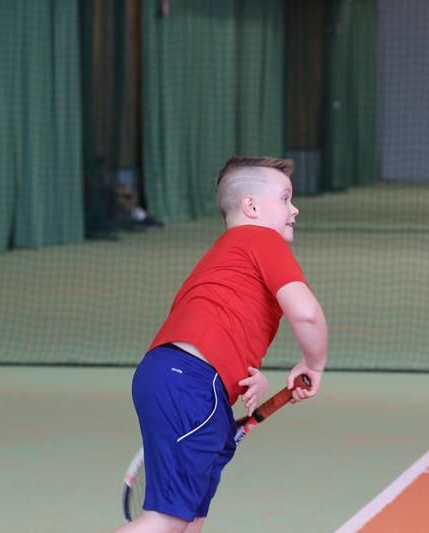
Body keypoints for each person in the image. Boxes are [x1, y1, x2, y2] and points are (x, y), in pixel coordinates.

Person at [115, 155, 328, 533]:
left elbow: (214, 326)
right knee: (166, 520)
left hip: (175, 378)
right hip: (188, 382)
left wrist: (249, 377)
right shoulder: (262, 239)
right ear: (252, 206)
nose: (294, 209)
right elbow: (307, 314)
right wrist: (313, 364)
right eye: (285, 198)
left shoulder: (225, 257)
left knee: (191, 519)